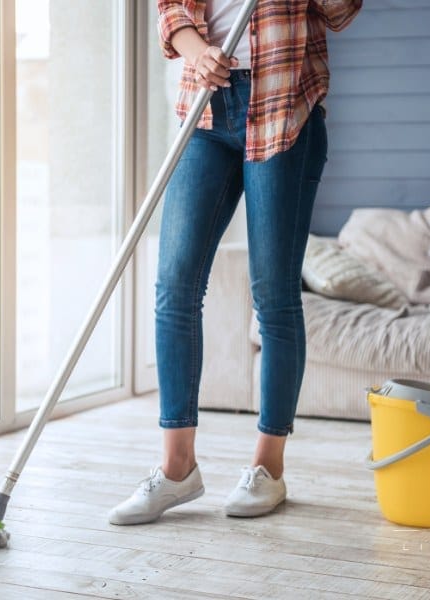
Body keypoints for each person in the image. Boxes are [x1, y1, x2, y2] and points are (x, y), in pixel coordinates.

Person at [109, 0, 362, 525]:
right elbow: (172, 8)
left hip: (283, 102)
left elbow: (342, 11)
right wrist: (197, 52)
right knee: (174, 286)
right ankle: (178, 470)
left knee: (273, 293)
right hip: (206, 104)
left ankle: (268, 469)